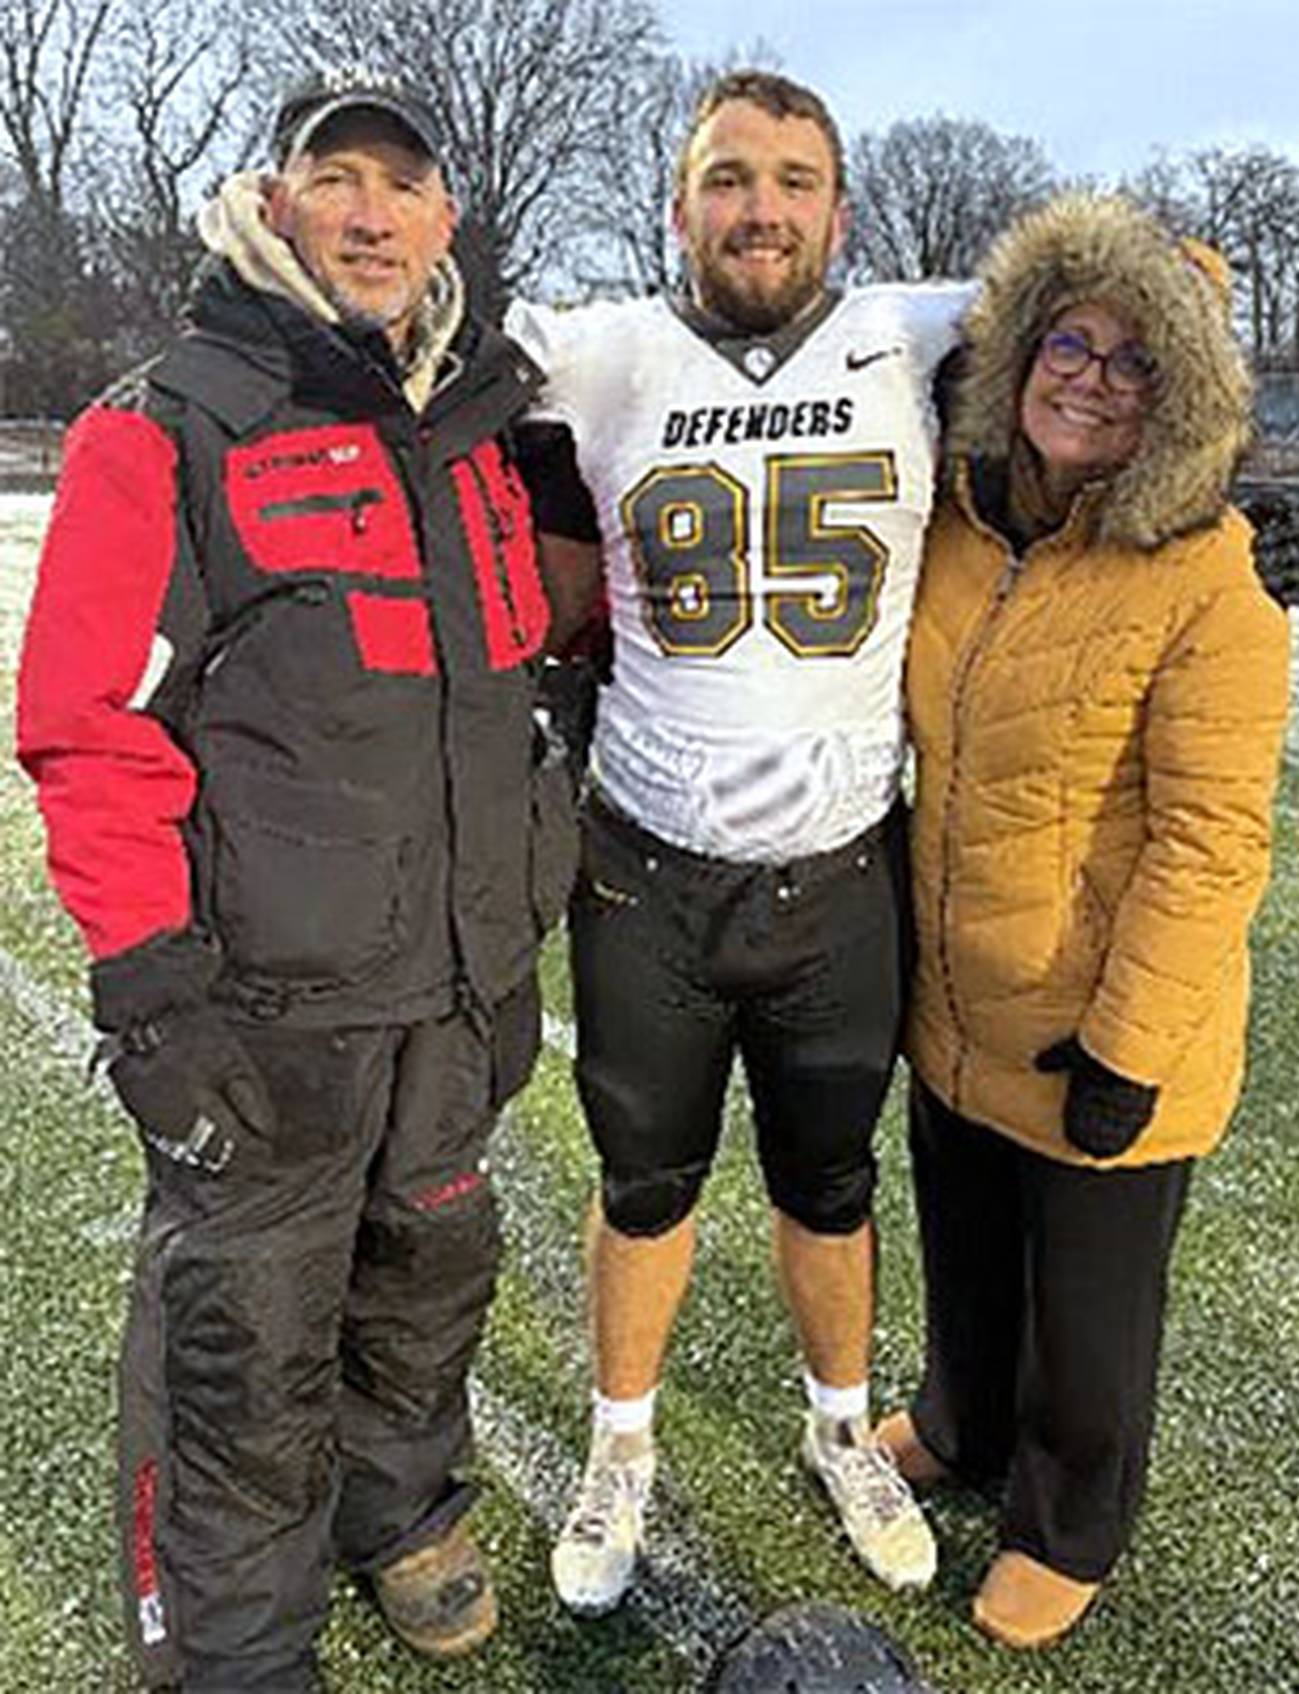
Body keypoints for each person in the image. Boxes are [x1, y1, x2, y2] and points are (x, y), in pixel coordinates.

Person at [505, 71, 1299, 1617]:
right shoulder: (613, 354)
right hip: (659, 869)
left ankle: (862, 1437)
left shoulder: (913, 331)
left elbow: (1147, 319)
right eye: (728, 177)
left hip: (845, 880)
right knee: (652, 1181)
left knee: (835, 1184)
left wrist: (1236, 489)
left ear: (841, 208)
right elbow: (410, 351)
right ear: (678, 205)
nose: (761, 207)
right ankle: (635, 1443)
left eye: (795, 179)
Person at [17, 67, 574, 1694]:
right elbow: (87, 728)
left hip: (452, 995)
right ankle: (230, 1647)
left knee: (430, 1276)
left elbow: (530, 667)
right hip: (264, 1013)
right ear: (277, 201)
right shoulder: (167, 423)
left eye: (403, 185)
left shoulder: (484, 424)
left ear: (444, 219)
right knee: (243, 1346)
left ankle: (399, 1510)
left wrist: (516, 921)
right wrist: (150, 988)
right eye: (339, 179)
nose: (371, 213)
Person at [880, 191, 1291, 1650]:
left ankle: (1068, 1519)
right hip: (960, 1001)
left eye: (1135, 362)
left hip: (1110, 1026)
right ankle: (958, 1421)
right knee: (970, 1256)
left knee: (1091, 1312)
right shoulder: (959, 523)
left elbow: (1210, 838)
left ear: (1178, 402)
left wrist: (1128, 1044)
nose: (1090, 378)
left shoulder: (1209, 584)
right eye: (1071, 340)